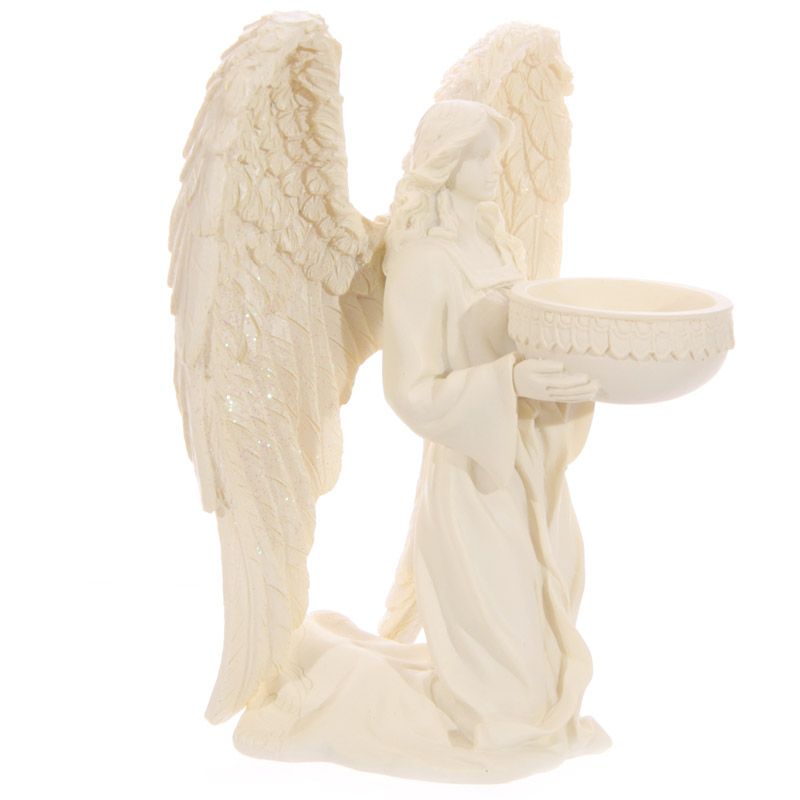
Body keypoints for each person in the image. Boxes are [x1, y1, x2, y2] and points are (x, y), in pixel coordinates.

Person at [233, 99, 611, 783]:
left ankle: (536, 712)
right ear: (446, 161)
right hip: (473, 473)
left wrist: (565, 373)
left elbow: (521, 331)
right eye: (480, 156)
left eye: (496, 155)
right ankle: (343, 689)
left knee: (553, 595)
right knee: (506, 688)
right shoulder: (423, 261)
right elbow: (410, 389)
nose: (495, 169)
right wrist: (509, 381)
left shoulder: (495, 244)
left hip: (527, 456)